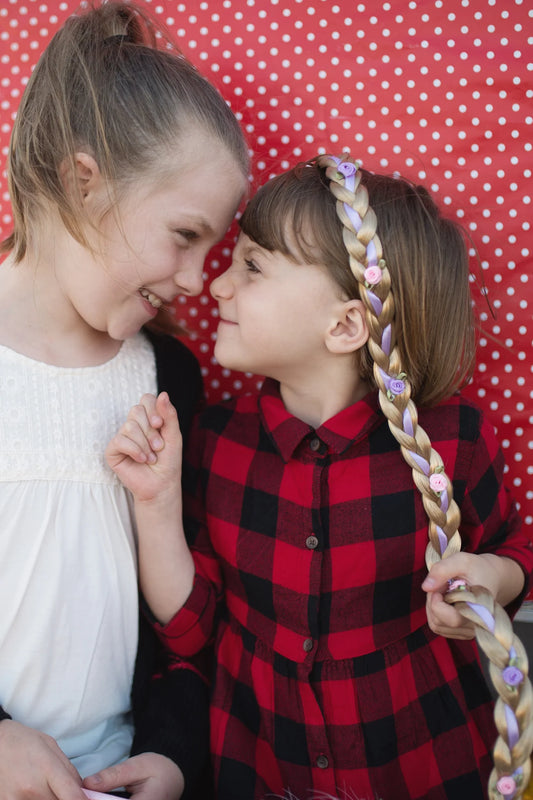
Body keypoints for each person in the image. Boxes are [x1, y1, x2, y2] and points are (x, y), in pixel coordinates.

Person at [105, 155, 533, 800]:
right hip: (262, 762)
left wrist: (490, 579)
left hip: (422, 757)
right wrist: (157, 501)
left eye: (251, 266)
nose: (214, 286)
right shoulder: (214, 440)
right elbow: (191, 629)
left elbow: (515, 550)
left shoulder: (450, 439)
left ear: (344, 325)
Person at [0, 1, 249, 798]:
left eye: (214, 250)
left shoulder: (166, 375)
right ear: (85, 181)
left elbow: (182, 618)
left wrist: (175, 751)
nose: (194, 279)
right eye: (185, 234)